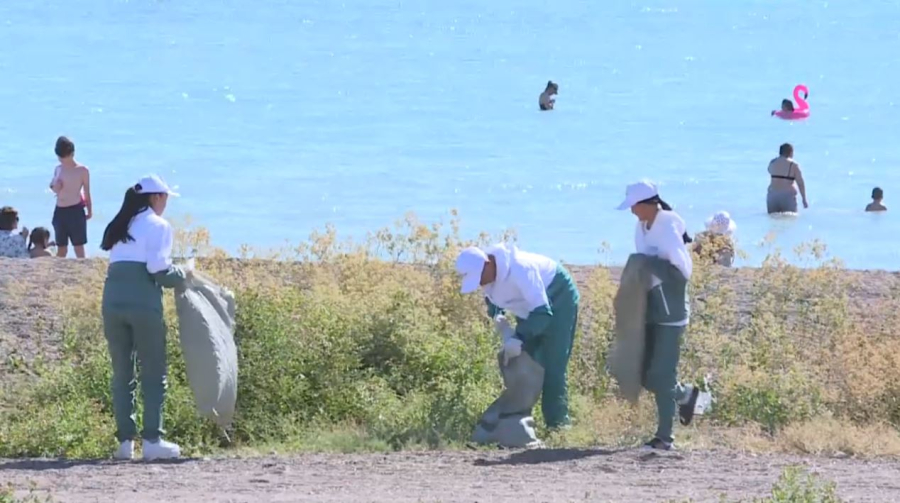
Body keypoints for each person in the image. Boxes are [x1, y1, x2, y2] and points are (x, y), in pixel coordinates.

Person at [100, 174, 187, 461]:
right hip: (142, 303)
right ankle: (153, 441)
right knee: (153, 371)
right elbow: (158, 270)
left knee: (123, 373)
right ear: (156, 197)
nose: (165, 204)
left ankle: (125, 444)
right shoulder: (159, 226)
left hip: (112, 301)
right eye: (165, 198)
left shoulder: (120, 225)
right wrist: (184, 273)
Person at [455, 243, 580, 429]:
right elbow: (494, 301)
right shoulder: (488, 275)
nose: (480, 284)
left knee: (553, 364)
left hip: (558, 295)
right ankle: (517, 422)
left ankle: (559, 426)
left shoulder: (521, 269)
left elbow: (543, 313)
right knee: (526, 360)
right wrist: (500, 320)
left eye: (479, 278)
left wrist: (519, 337)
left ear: (487, 263)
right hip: (531, 308)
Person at [615, 180, 699, 451]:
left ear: (649, 203)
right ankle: (687, 395)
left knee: (663, 375)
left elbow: (681, 273)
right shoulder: (641, 227)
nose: (631, 212)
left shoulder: (667, 225)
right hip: (650, 310)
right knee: (643, 375)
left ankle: (665, 438)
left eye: (634, 206)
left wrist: (645, 265)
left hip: (671, 314)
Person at [49, 136, 92, 258]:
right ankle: (59, 272)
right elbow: (53, 186)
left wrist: (89, 210)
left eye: (64, 157)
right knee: (61, 248)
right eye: (60, 157)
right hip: (60, 210)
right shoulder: (58, 169)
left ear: (72, 153)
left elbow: (87, 192)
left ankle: (83, 271)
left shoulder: (82, 170)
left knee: (79, 247)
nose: (63, 160)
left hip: (75, 210)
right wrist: (55, 186)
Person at [767, 143, 808, 214]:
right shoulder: (793, 165)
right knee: (790, 220)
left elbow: (769, 170)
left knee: (773, 220)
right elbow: (800, 182)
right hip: (788, 197)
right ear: (790, 152)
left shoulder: (772, 162)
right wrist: (804, 199)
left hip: (772, 196)